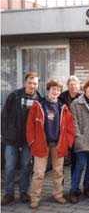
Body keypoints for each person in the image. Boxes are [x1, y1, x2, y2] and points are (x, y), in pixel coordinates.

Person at [26, 79, 75, 209]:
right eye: (53, 89)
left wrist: (68, 142)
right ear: (48, 90)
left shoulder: (62, 107)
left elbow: (70, 127)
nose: (55, 92)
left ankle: (58, 195)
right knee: (39, 173)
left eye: (58, 90)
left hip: (58, 144)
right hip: (41, 144)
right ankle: (35, 198)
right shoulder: (38, 105)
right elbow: (30, 126)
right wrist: (32, 142)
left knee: (58, 171)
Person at [1, 72, 41, 205]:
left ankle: (24, 192)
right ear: (25, 83)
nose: (32, 85)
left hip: (28, 141)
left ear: (37, 84)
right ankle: (8, 194)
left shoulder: (38, 99)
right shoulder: (14, 95)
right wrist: (5, 134)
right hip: (11, 139)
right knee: (10, 167)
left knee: (25, 167)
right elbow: (4, 115)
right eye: (30, 82)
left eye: (35, 83)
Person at [58, 75, 81, 187]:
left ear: (79, 86)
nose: (73, 87)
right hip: (63, 134)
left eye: (75, 84)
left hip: (76, 134)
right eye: (71, 85)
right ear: (67, 86)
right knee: (60, 162)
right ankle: (60, 188)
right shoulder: (61, 98)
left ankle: (74, 187)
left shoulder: (82, 98)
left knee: (75, 162)